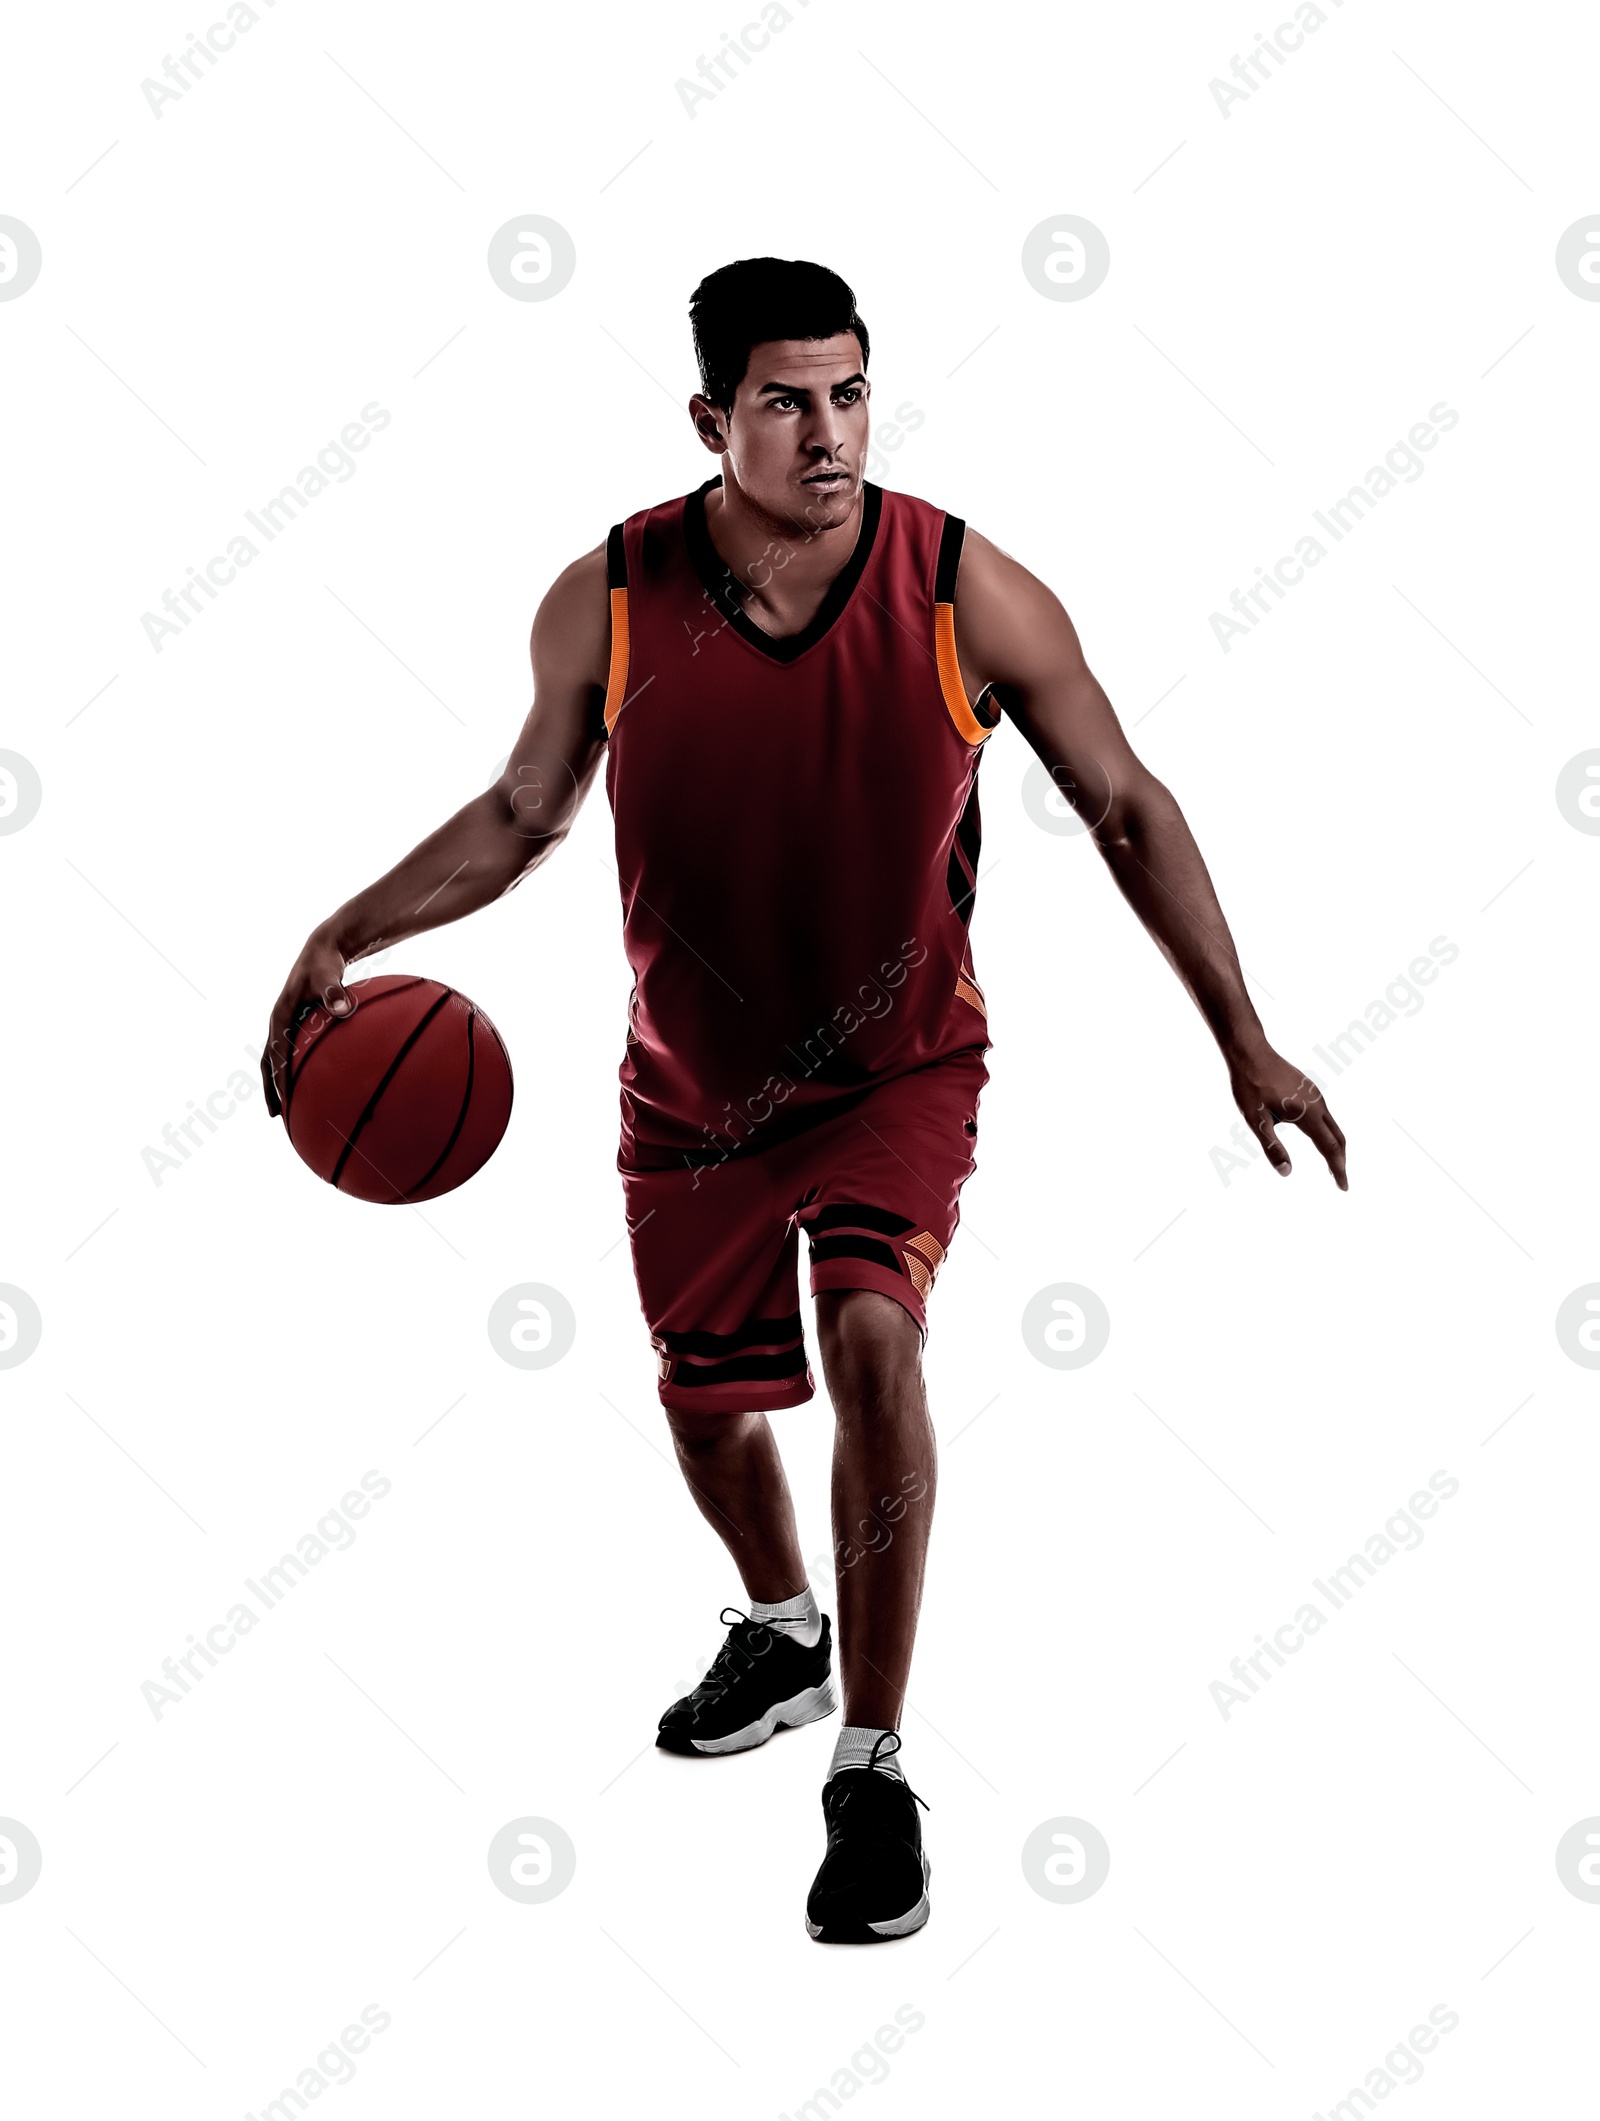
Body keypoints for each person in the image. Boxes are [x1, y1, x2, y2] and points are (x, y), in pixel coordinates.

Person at [263, 256, 1348, 1945]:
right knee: (707, 1409)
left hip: (894, 1068)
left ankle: (873, 1766)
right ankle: (782, 1627)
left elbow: (1127, 801)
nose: (828, 431)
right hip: (687, 1089)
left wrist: (1246, 1035)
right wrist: (348, 922)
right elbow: (519, 811)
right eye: (785, 399)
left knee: (873, 1342)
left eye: (849, 392)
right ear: (713, 418)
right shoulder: (610, 596)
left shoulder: (961, 588)